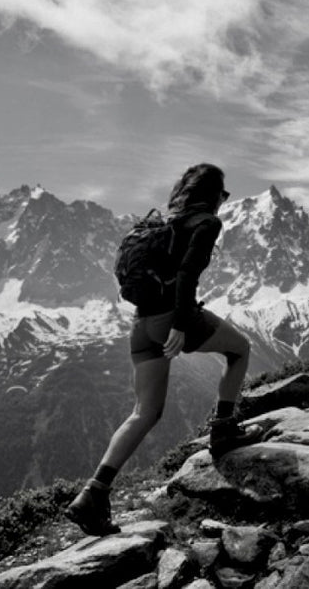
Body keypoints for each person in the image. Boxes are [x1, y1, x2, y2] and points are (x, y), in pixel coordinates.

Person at [66, 163, 262, 536]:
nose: (225, 201)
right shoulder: (206, 223)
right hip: (171, 318)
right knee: (240, 349)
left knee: (144, 412)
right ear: (212, 195)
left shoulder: (162, 223)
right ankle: (223, 430)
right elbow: (189, 274)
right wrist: (181, 323)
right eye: (223, 194)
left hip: (140, 326)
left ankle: (93, 494)